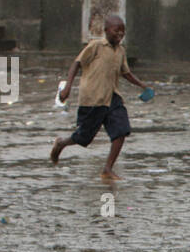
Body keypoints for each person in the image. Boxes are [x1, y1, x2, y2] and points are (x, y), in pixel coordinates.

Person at [50, 15, 149, 180]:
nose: (120, 34)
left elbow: (126, 73)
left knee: (121, 131)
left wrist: (142, 85)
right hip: (93, 98)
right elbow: (77, 63)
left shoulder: (121, 51)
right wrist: (68, 87)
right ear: (106, 30)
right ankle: (61, 143)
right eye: (116, 30)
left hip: (112, 97)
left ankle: (107, 168)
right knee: (83, 137)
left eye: (123, 31)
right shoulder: (96, 46)